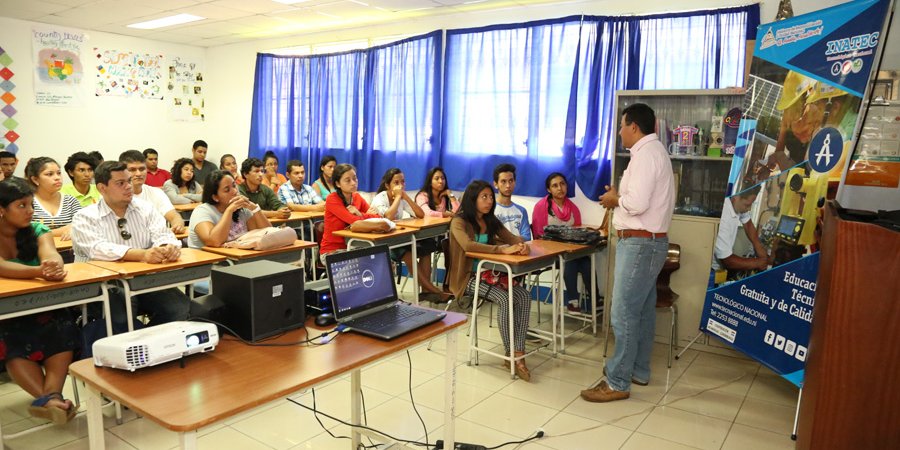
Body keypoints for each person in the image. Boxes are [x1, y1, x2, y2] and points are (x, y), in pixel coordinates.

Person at [585, 103, 674, 403]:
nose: (620, 131)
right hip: (646, 243)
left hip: (639, 245)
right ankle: (638, 370)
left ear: (633, 126)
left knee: (622, 311)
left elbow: (636, 204)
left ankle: (617, 381)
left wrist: (614, 199)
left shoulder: (647, 155)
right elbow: (634, 199)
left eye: (622, 125)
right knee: (643, 311)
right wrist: (618, 198)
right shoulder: (650, 153)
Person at [72, 161, 189, 331]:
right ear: (102, 188)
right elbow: (97, 249)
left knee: (181, 308)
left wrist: (166, 247)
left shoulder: (145, 208)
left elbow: (163, 233)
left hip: (143, 278)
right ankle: (134, 347)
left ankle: (150, 343)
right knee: (123, 312)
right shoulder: (85, 217)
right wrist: (142, 255)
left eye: (128, 181)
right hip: (104, 284)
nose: (129, 186)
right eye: (121, 183)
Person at [0, 177, 79, 424]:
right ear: (1, 210)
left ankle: (50, 398)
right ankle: (52, 398)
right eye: (21, 206)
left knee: (63, 326)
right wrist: (37, 272)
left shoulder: (37, 230)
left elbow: (51, 254)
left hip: (40, 304)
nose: (29, 212)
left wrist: (54, 265)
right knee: (10, 336)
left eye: (31, 205)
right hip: (5, 310)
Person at [447, 180, 532, 381]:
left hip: (491, 275)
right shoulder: (458, 222)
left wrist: (522, 245)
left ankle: (518, 352)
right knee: (505, 299)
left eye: (490, 197)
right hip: (468, 278)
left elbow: (512, 238)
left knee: (524, 296)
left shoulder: (490, 219)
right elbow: (468, 245)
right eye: (483, 197)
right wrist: (501, 249)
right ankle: (509, 352)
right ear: (472, 199)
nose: (489, 200)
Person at [370, 168, 448, 300]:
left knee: (427, 245)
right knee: (407, 252)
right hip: (382, 242)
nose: (400, 185)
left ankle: (425, 291)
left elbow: (420, 214)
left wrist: (405, 197)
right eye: (396, 182)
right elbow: (388, 216)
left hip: (397, 237)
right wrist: (399, 197)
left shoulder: (402, 198)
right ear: (388, 185)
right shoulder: (380, 198)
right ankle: (432, 289)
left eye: (403, 182)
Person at [531, 172, 593, 312]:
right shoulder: (542, 207)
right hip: (549, 252)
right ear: (549, 190)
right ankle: (573, 301)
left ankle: (594, 299)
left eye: (562, 184)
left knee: (586, 262)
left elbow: (578, 232)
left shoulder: (572, 208)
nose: (560, 188)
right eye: (555, 185)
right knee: (569, 260)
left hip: (570, 250)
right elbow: (539, 235)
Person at [320, 163, 388, 258]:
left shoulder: (357, 197)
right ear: (337, 184)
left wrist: (359, 213)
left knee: (384, 260)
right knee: (371, 263)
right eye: (348, 180)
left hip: (355, 246)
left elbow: (378, 217)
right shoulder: (332, 199)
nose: (353, 183)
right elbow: (353, 221)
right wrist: (362, 217)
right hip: (332, 251)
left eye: (355, 178)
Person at [188, 170, 271, 248]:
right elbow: (214, 242)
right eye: (227, 190)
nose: (235, 191)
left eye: (234, 185)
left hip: (236, 258)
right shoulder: (202, 211)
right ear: (215, 197)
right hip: (209, 261)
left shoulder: (242, 210)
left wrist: (254, 208)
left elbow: (267, 235)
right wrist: (229, 211)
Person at [120, 150, 186, 235]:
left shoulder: (157, 193)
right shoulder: (114, 197)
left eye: (142, 169)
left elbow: (174, 216)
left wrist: (178, 225)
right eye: (132, 170)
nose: (138, 174)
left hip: (159, 242)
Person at [712, 185, 767, 273]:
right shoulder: (723, 217)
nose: (749, 209)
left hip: (723, 267)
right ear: (736, 197)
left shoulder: (737, 205)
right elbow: (728, 261)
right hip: (712, 270)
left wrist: (758, 247)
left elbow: (748, 224)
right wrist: (757, 263)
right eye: (747, 205)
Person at [25, 157, 81, 241]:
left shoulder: (70, 201)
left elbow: (83, 225)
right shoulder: (27, 202)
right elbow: (27, 232)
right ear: (35, 179)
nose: (57, 178)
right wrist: (66, 229)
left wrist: (74, 230)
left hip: (69, 249)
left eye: (58, 173)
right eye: (50, 174)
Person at [492, 163, 532, 240]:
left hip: (519, 250)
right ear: (495, 184)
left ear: (515, 182)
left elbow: (527, 238)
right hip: (497, 250)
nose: (508, 185)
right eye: (503, 181)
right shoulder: (489, 209)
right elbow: (487, 237)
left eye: (511, 181)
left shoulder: (521, 211)